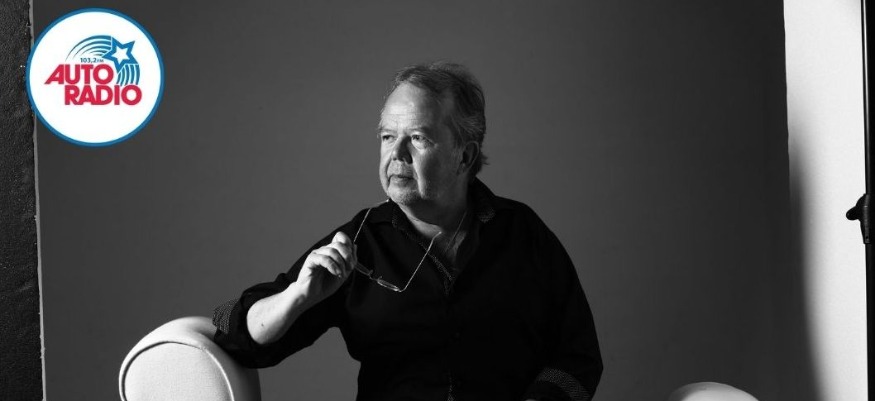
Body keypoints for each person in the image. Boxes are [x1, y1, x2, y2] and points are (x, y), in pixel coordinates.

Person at [213, 61, 603, 401]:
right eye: (387, 137)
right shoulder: (360, 241)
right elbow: (236, 337)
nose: (396, 154)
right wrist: (297, 297)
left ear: (464, 156)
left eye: (417, 138)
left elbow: (578, 355)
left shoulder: (522, 232)